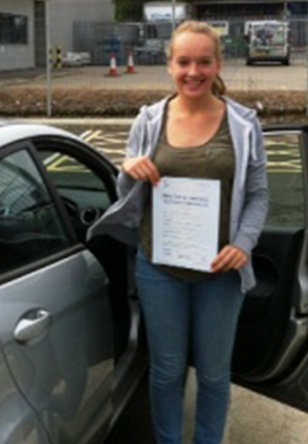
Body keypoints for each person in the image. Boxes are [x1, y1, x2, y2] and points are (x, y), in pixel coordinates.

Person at [88, 20, 268, 444]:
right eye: (184, 62)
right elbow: (128, 196)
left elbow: (258, 196)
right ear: (169, 65)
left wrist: (243, 245)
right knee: (166, 370)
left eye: (203, 62)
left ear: (218, 64)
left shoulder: (243, 125)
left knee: (213, 374)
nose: (194, 71)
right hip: (160, 267)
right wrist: (127, 169)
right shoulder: (148, 121)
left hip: (220, 273)